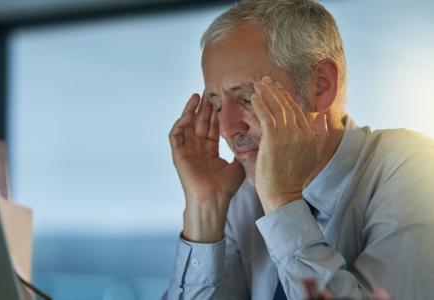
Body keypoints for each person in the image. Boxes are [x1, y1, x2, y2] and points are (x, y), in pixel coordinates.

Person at [162, 0, 434, 299]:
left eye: (247, 98)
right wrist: (204, 209)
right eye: (215, 104)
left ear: (320, 85)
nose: (227, 128)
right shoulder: (241, 197)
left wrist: (283, 203)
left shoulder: (416, 170)